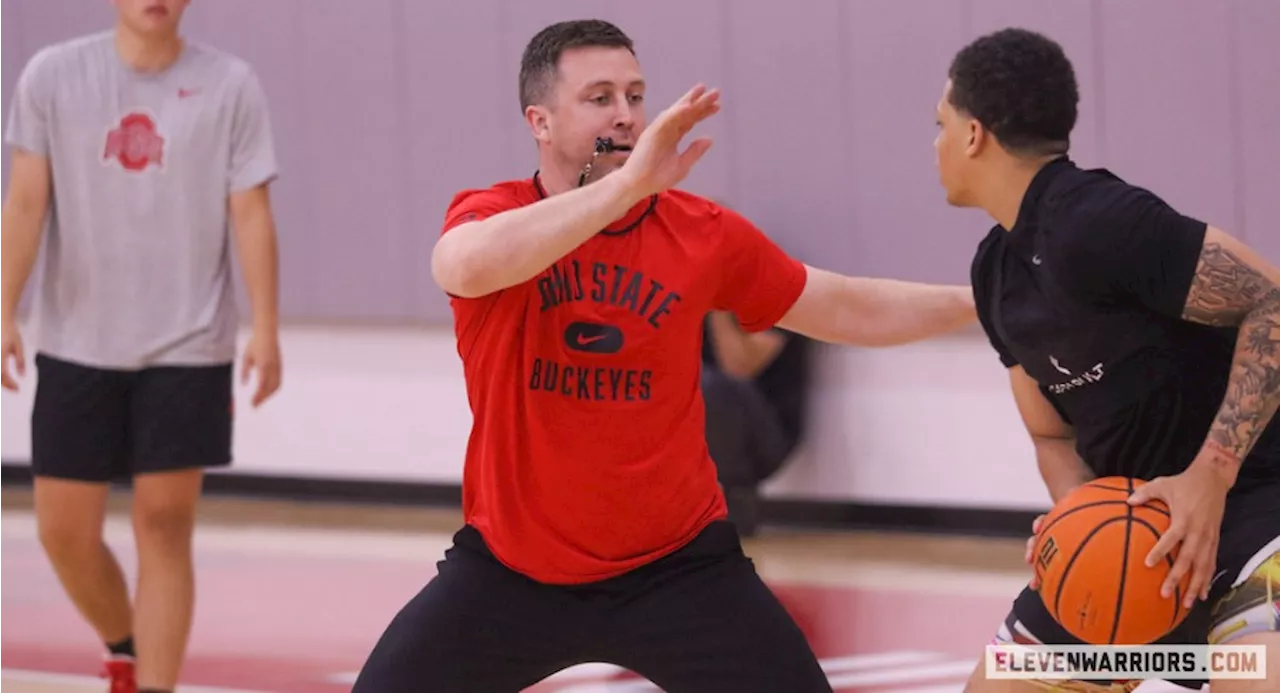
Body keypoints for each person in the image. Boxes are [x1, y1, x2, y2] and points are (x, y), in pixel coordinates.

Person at [351, 19, 977, 693]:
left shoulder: (700, 232)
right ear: (541, 120)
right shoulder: (493, 214)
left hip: (678, 568)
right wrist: (621, 190)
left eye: (635, 95)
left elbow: (847, 305)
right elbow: (462, 267)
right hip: (511, 569)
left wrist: (986, 302)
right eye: (599, 98)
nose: (625, 116)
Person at [935, 27, 1280, 693]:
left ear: (973, 133)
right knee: (996, 687)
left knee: (1254, 682)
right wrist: (1077, 515)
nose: (937, 144)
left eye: (939, 124)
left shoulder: (1101, 220)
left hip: (1252, 512)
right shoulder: (993, 272)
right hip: (1136, 541)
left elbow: (1270, 302)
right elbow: (1050, 431)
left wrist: (1210, 475)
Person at [0, 1, 283, 691]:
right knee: (62, 532)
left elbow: (249, 212)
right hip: (77, 339)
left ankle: (153, 681)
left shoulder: (230, 84)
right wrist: (3, 309)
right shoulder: (52, 75)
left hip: (188, 343)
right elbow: (26, 203)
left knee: (164, 524)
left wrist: (266, 326)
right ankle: (125, 640)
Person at [701, 309, 811, 537]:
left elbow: (737, 367)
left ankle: (735, 497)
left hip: (765, 437)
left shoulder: (776, 287)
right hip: (702, 436)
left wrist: (715, 305)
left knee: (710, 387)